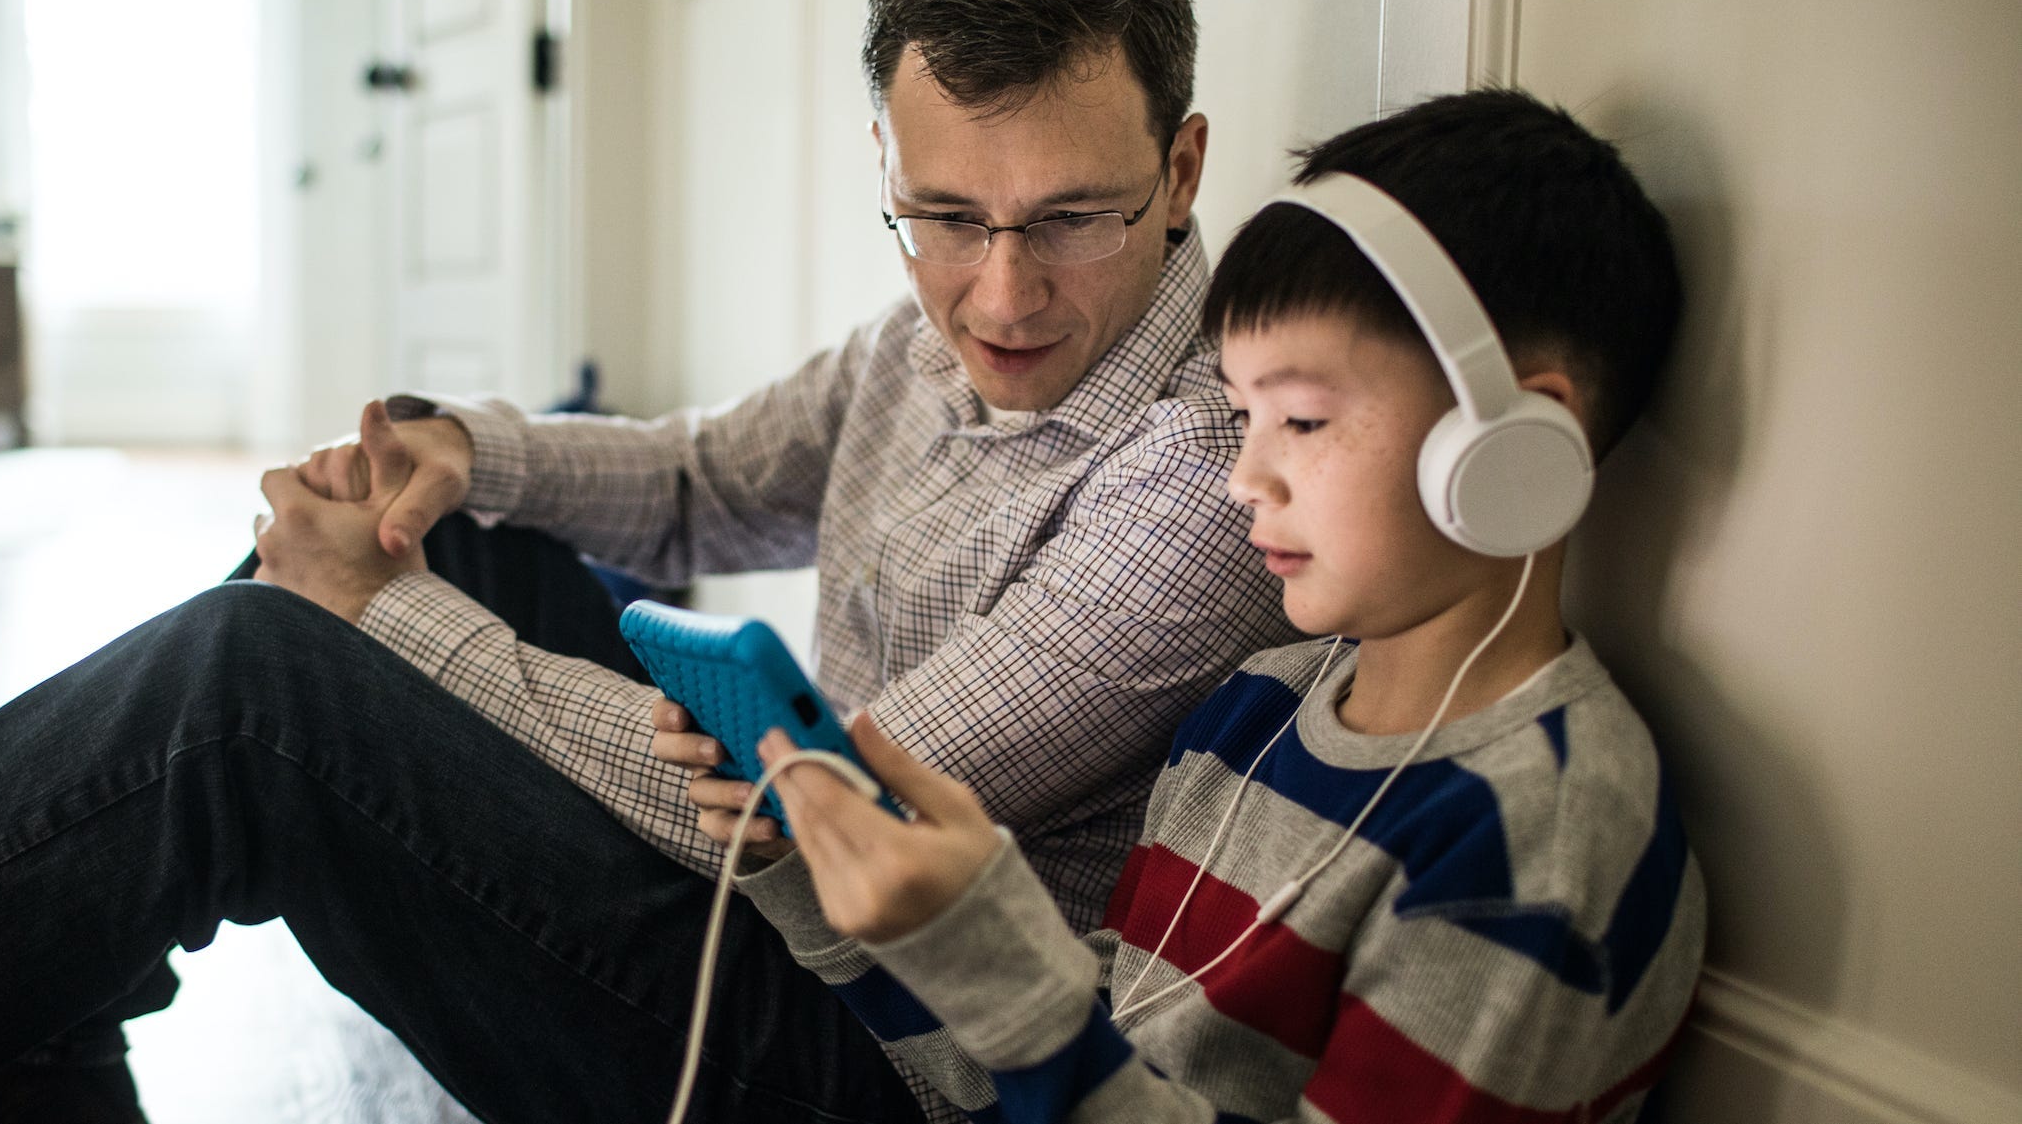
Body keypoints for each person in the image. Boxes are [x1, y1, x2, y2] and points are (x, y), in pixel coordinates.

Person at [0, 0, 1291, 1123]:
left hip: (864, 1056)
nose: (996, 294)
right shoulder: (924, 344)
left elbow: (825, 811)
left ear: (1184, 164)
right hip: (768, 899)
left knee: (264, 678)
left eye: (1069, 217)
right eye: (942, 217)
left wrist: (377, 616)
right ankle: (19, 1023)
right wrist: (460, 455)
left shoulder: (1203, 474)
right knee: (442, 545)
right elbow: (689, 480)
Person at [674, 90, 1707, 1121]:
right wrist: (811, 875)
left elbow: (1056, 1049)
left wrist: (999, 968)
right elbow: (1071, 1071)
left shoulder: (1541, 830)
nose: (1243, 475)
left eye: (1301, 419)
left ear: (1512, 448)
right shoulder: (1251, 714)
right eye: (1246, 412)